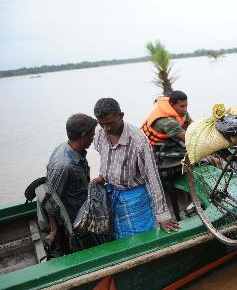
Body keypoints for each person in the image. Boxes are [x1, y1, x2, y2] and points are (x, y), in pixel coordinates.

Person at [91, 98, 179, 239]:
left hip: (135, 198)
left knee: (142, 240)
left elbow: (153, 178)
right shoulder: (100, 133)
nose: (106, 128)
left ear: (121, 116)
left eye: (110, 123)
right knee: (119, 238)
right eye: (102, 124)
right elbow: (104, 156)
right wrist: (103, 176)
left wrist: (162, 216)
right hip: (113, 195)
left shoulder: (138, 141)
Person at [44, 113, 98, 254]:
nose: (93, 138)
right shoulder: (63, 165)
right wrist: (54, 230)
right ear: (83, 135)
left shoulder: (69, 147)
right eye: (92, 135)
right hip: (75, 222)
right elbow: (50, 200)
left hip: (84, 210)